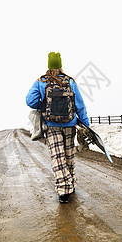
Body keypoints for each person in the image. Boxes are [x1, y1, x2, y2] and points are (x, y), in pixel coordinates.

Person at [26, 52, 89, 203]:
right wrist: (86, 123)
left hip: (52, 126)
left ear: (48, 65)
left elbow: (30, 101)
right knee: (69, 156)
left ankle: (63, 190)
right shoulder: (70, 81)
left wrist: (43, 103)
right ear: (60, 65)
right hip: (70, 125)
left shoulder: (41, 81)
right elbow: (79, 105)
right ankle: (71, 183)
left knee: (57, 157)